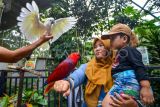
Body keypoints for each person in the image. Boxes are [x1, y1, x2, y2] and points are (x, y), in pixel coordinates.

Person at [52, 38, 139, 107]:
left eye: (101, 45)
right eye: (95, 47)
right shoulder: (88, 66)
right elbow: (78, 74)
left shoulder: (119, 67)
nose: (97, 49)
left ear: (109, 47)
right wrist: (68, 82)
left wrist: (134, 105)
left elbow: (138, 90)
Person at [101, 23, 154, 107]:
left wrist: (146, 87)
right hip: (121, 82)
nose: (110, 41)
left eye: (113, 38)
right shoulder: (121, 52)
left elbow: (139, 67)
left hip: (126, 82)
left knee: (106, 104)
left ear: (124, 38)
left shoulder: (129, 50)